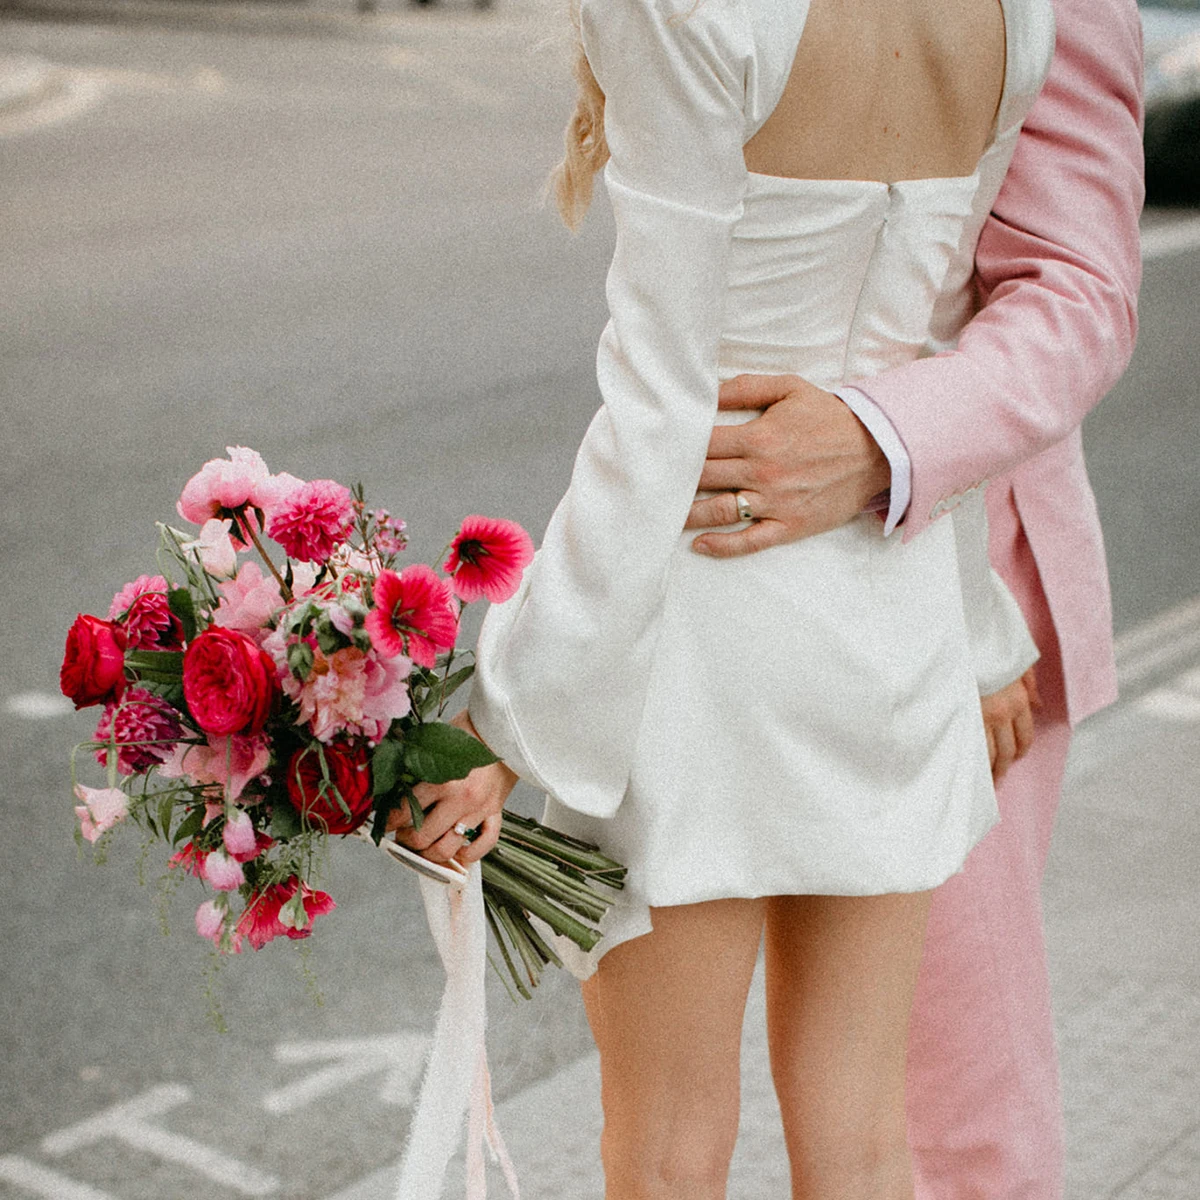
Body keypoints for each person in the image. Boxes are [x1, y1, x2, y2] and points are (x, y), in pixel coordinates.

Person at [390, 0, 1078, 1196]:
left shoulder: (682, 8)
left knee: (666, 1150)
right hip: (891, 611)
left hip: (702, 622)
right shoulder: (1019, 10)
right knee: (863, 1138)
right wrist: (973, 635)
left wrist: (505, 718)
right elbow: (938, 349)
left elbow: (663, 409)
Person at [674, 1, 1144, 1195]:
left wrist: (886, 445)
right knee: (696, 1130)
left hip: (929, 582)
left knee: (954, 1135)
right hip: (695, 607)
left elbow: (1081, 285)